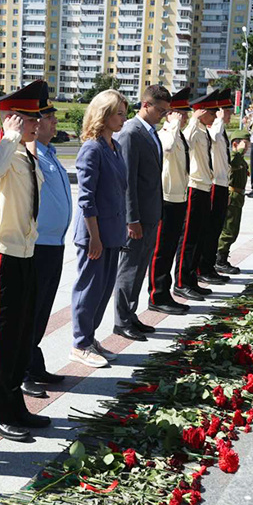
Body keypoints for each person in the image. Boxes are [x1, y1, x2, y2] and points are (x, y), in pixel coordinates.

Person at [0, 80, 48, 443]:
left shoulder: (25, 153)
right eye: (27, 119)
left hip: (26, 253)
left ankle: (15, 405)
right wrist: (8, 136)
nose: (35, 124)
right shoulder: (6, 152)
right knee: (3, 338)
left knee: (21, 336)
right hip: (5, 255)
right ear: (11, 120)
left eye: (36, 118)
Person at [71, 90, 128, 368]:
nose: (123, 118)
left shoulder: (113, 146)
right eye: (119, 113)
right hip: (95, 235)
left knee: (104, 290)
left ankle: (90, 338)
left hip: (112, 233)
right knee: (89, 289)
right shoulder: (92, 148)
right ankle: (80, 344)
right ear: (103, 115)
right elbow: (86, 197)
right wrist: (94, 236)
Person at [22, 88, 71, 398]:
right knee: (30, 311)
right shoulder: (29, 154)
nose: (54, 123)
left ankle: (34, 362)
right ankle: (23, 370)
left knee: (42, 311)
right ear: (34, 123)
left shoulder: (49, 153)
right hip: (37, 245)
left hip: (54, 245)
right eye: (49, 117)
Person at [113, 85, 170, 342]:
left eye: (166, 111)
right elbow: (128, 181)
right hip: (137, 218)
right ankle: (121, 320)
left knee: (140, 268)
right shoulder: (130, 133)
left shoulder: (150, 132)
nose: (163, 115)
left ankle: (131, 314)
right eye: (160, 110)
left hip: (150, 214)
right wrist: (131, 218)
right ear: (145, 105)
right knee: (130, 268)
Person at [148, 87, 192, 313]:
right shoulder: (166, 132)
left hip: (179, 197)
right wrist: (173, 123)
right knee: (161, 250)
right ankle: (156, 296)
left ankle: (166, 292)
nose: (184, 118)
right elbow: (165, 148)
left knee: (170, 248)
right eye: (180, 113)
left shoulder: (179, 134)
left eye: (185, 114)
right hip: (166, 199)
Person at [174, 91, 221, 302]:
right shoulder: (193, 130)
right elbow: (186, 139)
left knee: (199, 236)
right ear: (201, 113)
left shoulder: (203, 130)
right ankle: (182, 282)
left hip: (204, 186)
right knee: (189, 239)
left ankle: (192, 279)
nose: (215, 116)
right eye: (212, 112)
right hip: (194, 187)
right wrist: (192, 119)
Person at [199, 92, 234, 283]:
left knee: (216, 229)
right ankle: (203, 267)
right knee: (209, 230)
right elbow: (212, 139)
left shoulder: (221, 130)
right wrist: (219, 120)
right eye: (226, 112)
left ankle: (209, 266)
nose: (229, 115)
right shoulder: (212, 130)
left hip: (221, 184)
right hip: (212, 185)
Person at [216, 129, 251, 273]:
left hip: (239, 196)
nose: (247, 147)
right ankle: (219, 260)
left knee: (233, 229)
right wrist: (238, 150)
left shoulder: (240, 159)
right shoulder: (233, 156)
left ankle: (223, 257)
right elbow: (232, 163)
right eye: (245, 144)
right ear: (236, 143)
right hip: (232, 196)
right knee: (228, 230)